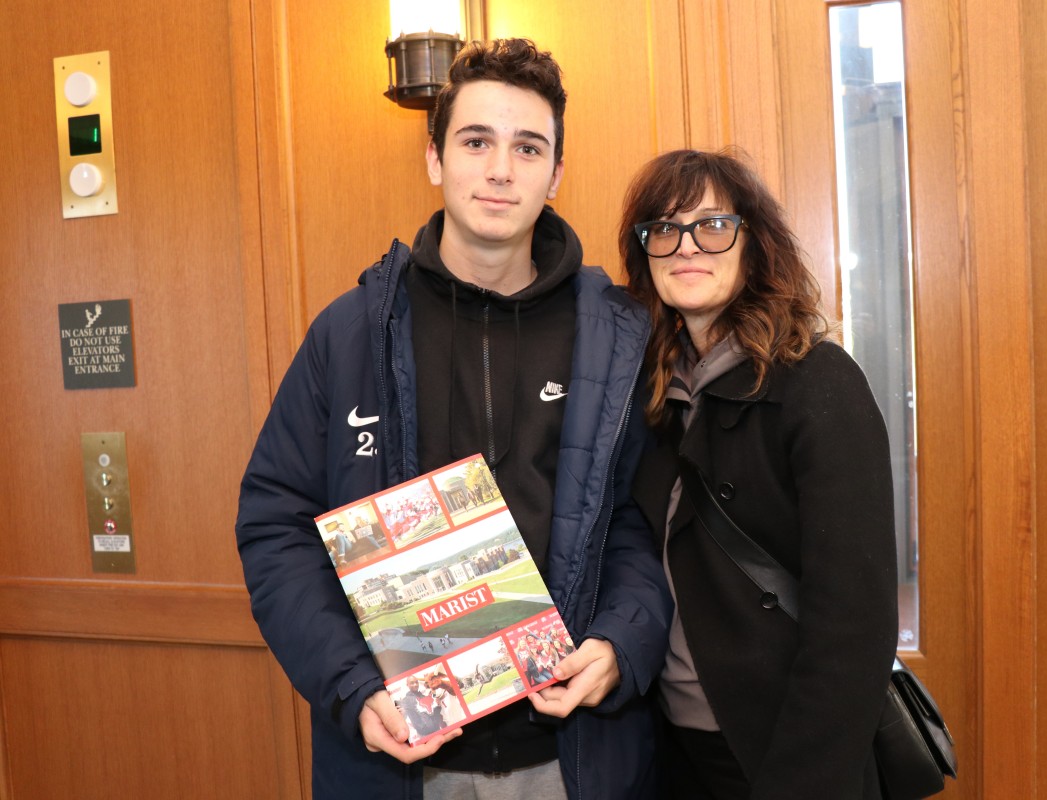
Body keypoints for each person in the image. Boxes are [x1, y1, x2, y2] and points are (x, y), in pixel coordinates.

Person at [236, 38, 671, 800]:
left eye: (527, 147)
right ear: (435, 157)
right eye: (476, 141)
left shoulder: (618, 334)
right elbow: (276, 524)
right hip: (403, 761)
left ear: (556, 174)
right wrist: (352, 686)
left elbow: (646, 520)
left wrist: (620, 641)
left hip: (576, 759)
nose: (501, 169)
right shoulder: (348, 335)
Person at [619, 148, 898, 799]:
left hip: (785, 754)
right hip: (672, 751)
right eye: (663, 228)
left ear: (755, 243)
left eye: (713, 225)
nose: (687, 246)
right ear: (645, 254)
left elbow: (853, 626)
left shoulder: (817, 383)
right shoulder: (651, 397)